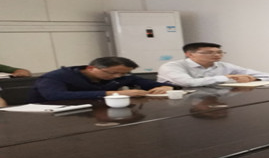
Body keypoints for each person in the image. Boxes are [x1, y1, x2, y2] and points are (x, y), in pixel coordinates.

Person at [30, 57, 174, 102]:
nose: (117, 77)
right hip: (51, 116)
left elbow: (152, 85)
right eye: (112, 73)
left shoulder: (122, 75)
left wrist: (168, 87)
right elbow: (55, 95)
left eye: (123, 74)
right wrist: (114, 93)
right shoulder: (57, 76)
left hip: (96, 112)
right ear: (91, 68)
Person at [157, 42, 269, 87]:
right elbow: (188, 83)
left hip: (212, 98)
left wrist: (253, 78)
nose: (217, 55)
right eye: (209, 52)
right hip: (176, 103)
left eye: (219, 52)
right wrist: (227, 77)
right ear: (189, 54)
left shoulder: (224, 66)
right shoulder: (172, 66)